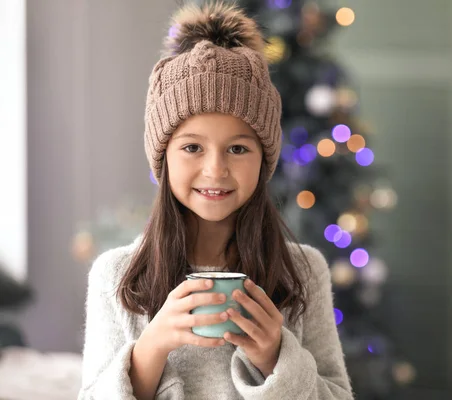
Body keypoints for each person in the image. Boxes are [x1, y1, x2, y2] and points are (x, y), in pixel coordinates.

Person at [77, 2, 353, 399]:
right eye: (192, 147)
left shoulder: (303, 271)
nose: (215, 170)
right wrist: (151, 349)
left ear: (264, 160)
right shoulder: (117, 276)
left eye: (238, 149)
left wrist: (277, 358)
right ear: (163, 158)